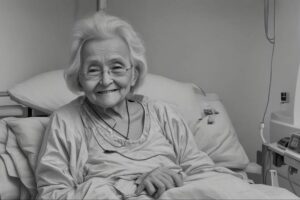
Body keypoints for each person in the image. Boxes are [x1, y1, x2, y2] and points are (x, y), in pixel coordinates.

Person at [35, 12, 298, 200]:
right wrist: (133, 186)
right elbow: (52, 194)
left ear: (134, 73)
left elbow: (201, 170)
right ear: (79, 77)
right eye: (93, 70)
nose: (106, 80)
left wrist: (171, 177)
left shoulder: (162, 113)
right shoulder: (66, 121)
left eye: (117, 67)